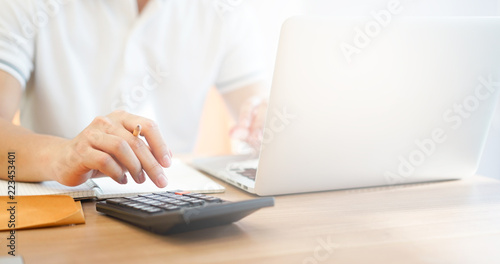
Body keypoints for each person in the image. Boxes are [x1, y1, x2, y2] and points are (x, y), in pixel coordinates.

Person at [0, 0, 268, 188]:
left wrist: (265, 120)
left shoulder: (226, 9)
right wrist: (62, 156)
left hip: (176, 201)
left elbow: (258, 108)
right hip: (66, 203)